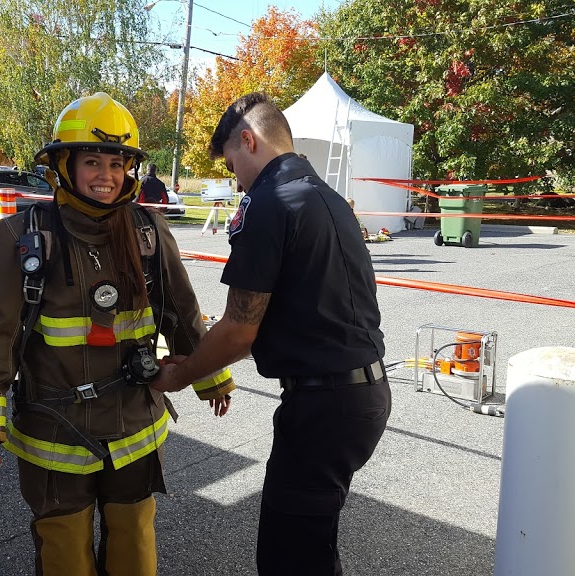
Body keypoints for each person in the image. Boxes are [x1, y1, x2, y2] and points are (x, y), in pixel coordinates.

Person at [0, 92, 235, 576]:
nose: (106, 175)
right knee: (64, 548)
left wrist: (211, 378)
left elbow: (183, 313)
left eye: (117, 163)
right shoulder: (20, 238)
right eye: (92, 161)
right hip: (54, 433)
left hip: (135, 427)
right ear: (63, 164)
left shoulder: (149, 230)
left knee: (134, 544)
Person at [151, 92, 390, 575]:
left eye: (232, 164)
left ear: (248, 140)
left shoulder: (270, 202)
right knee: (311, 545)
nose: (235, 177)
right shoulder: (329, 198)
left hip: (324, 405)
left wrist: (183, 374)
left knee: (289, 557)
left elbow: (240, 328)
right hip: (362, 395)